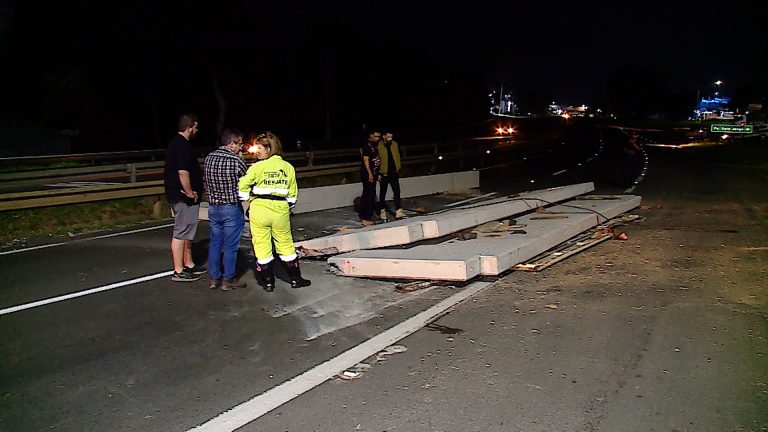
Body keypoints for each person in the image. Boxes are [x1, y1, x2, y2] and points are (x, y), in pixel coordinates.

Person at [237, 132, 311, 292]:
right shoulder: (287, 167)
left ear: (269, 149)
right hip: (280, 210)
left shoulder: (257, 167)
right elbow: (292, 193)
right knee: (285, 244)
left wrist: (245, 198)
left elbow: (243, 185)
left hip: (259, 209)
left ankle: (268, 283)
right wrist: (287, 206)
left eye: (260, 148)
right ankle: (296, 279)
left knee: (261, 245)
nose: (257, 151)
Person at [203, 128, 248, 291]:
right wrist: (241, 159)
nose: (241, 148)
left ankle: (214, 277)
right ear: (232, 143)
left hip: (214, 207)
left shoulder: (209, 158)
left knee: (215, 243)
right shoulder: (236, 161)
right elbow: (247, 179)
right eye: (240, 144)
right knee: (231, 246)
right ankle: (228, 279)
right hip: (230, 207)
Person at [164, 113, 206, 282]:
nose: (196, 130)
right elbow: (183, 172)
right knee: (181, 232)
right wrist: (189, 192)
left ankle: (189, 263)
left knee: (188, 232)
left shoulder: (181, 144)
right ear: (189, 127)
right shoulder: (181, 145)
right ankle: (178, 269)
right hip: (182, 197)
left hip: (184, 196)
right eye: (195, 127)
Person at [377, 132, 405, 220]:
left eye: (391, 137)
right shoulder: (379, 146)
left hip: (393, 172)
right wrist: (377, 173)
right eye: (388, 137)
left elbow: (397, 156)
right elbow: (376, 160)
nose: (390, 138)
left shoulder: (394, 144)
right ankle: (382, 210)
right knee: (383, 192)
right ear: (384, 136)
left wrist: (398, 168)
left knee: (397, 191)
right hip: (383, 173)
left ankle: (398, 210)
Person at [358, 130, 382, 225]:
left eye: (378, 137)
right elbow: (366, 160)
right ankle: (367, 215)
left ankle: (365, 213)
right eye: (376, 136)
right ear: (371, 135)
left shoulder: (374, 146)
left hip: (374, 172)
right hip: (367, 174)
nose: (377, 138)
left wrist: (377, 173)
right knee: (369, 194)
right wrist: (370, 174)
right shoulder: (367, 145)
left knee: (370, 193)